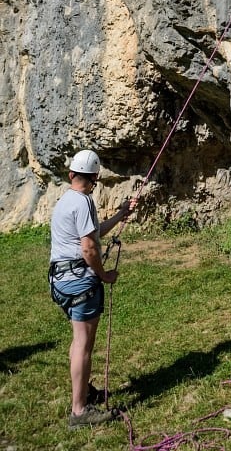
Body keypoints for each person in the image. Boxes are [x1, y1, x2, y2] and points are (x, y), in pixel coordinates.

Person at [49, 149, 136, 429]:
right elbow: (88, 248)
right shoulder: (84, 202)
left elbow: (93, 233)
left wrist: (121, 213)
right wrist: (103, 275)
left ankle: (84, 392)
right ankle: (79, 411)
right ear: (95, 178)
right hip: (80, 281)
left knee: (78, 342)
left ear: (71, 174)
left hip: (60, 281)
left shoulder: (65, 201)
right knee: (83, 346)